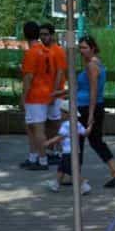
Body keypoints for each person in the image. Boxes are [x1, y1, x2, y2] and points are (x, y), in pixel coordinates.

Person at [74, 36, 115, 188]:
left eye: (84, 48)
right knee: (95, 141)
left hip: (87, 107)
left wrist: (90, 115)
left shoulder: (92, 66)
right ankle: (114, 170)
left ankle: (76, 175)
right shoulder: (97, 64)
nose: (81, 51)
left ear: (93, 48)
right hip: (92, 106)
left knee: (78, 141)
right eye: (80, 48)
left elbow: (94, 91)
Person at [19, 20, 53, 170]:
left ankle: (43, 160)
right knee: (32, 127)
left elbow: (28, 78)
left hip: (34, 96)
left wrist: (23, 97)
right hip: (44, 93)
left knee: (37, 129)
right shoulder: (45, 51)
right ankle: (33, 157)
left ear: (24, 34)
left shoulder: (31, 53)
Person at [43, 108, 90, 195]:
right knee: (62, 168)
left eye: (61, 112)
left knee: (72, 170)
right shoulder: (77, 123)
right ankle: (56, 184)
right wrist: (90, 126)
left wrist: (49, 142)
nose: (59, 114)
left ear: (67, 114)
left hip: (68, 152)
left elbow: (60, 137)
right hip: (76, 151)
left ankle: (83, 185)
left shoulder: (66, 124)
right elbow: (85, 133)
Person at [42, 23, 67, 164]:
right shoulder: (44, 50)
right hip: (46, 93)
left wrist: (55, 93)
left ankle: (59, 151)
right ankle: (51, 150)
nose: (43, 37)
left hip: (54, 94)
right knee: (49, 124)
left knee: (56, 123)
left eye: (46, 34)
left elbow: (60, 72)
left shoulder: (57, 51)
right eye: (41, 34)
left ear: (52, 35)